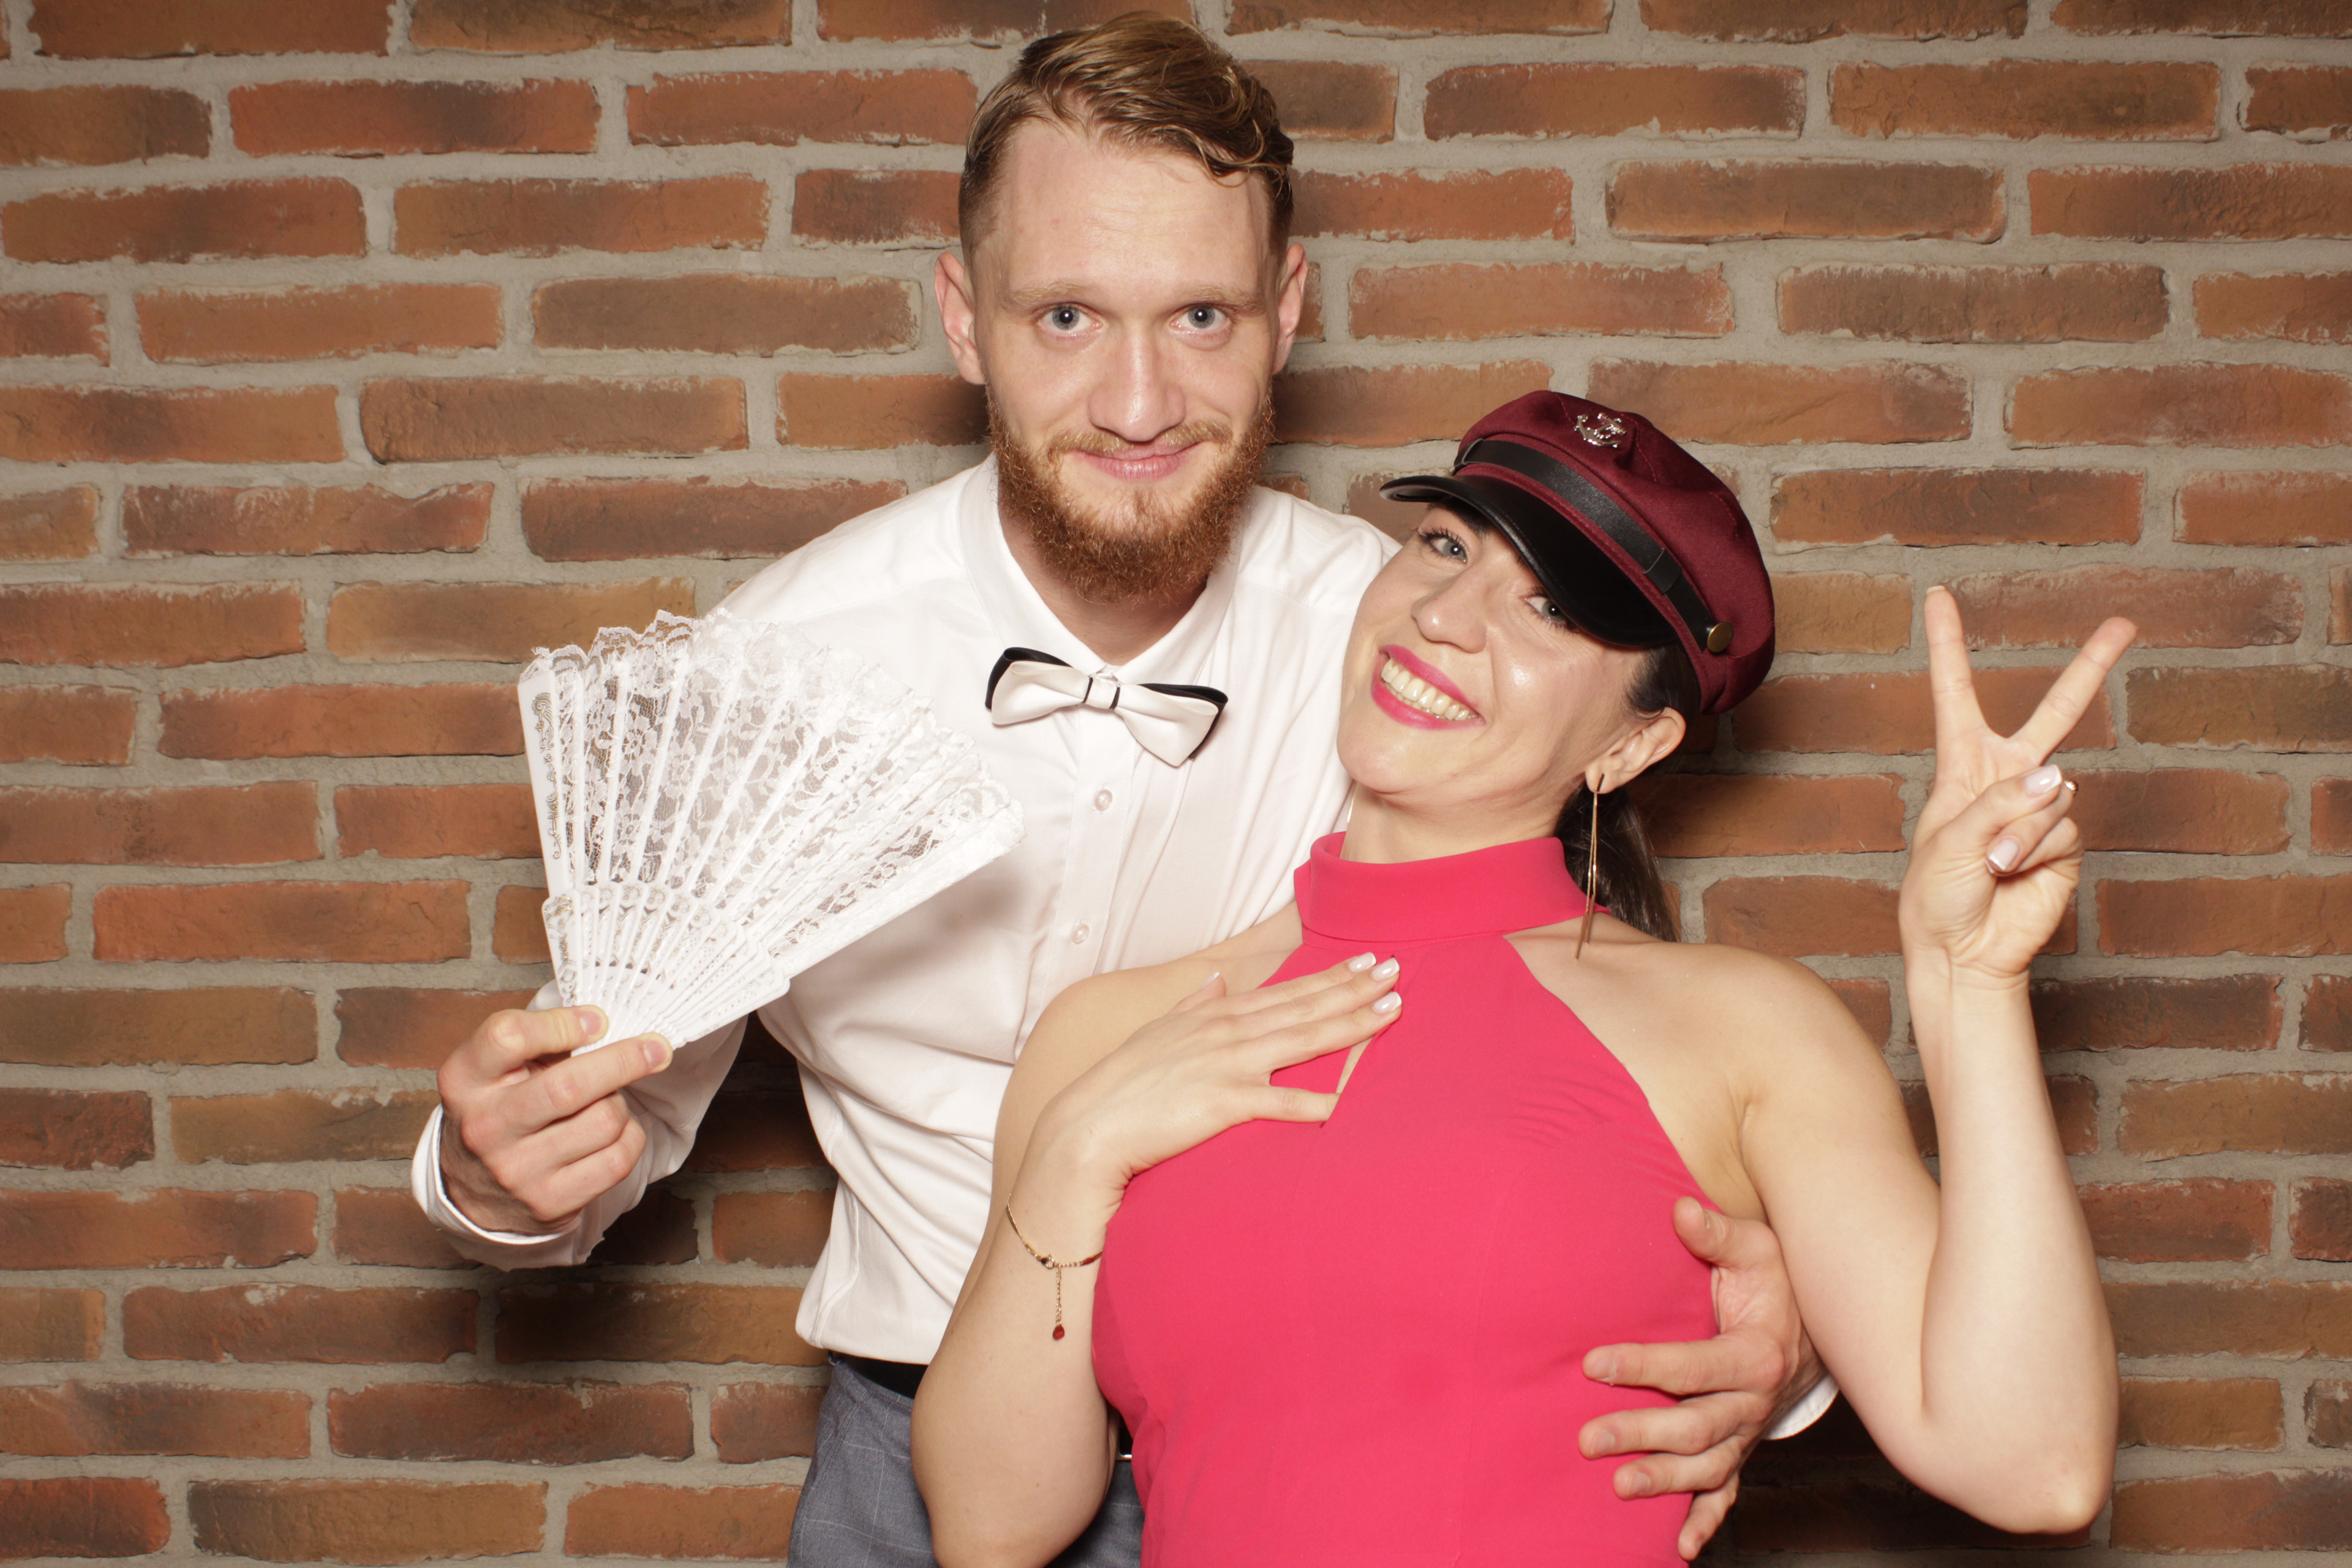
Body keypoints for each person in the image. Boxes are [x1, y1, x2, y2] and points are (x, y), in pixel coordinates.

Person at [406, 19, 1822, 1565]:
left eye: (1201, 315)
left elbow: (1619, 1064)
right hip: (923, 1452)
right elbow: (613, 1098)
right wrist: (497, 1177)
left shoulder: (1423, 644)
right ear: (965, 321)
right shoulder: (776, 671)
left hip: (1359, 1454)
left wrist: (1789, 1339)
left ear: (1287, 313)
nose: (1139, 403)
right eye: (1067, 315)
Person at [912, 391, 2128, 1567]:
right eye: (1445, 544)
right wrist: (1078, 1151)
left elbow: (2032, 1464)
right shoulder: (1113, 1035)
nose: (1446, 614)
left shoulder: (1748, 1031)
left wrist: (1970, 982)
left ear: (1635, 742)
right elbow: (990, 1525)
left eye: (1549, 608)